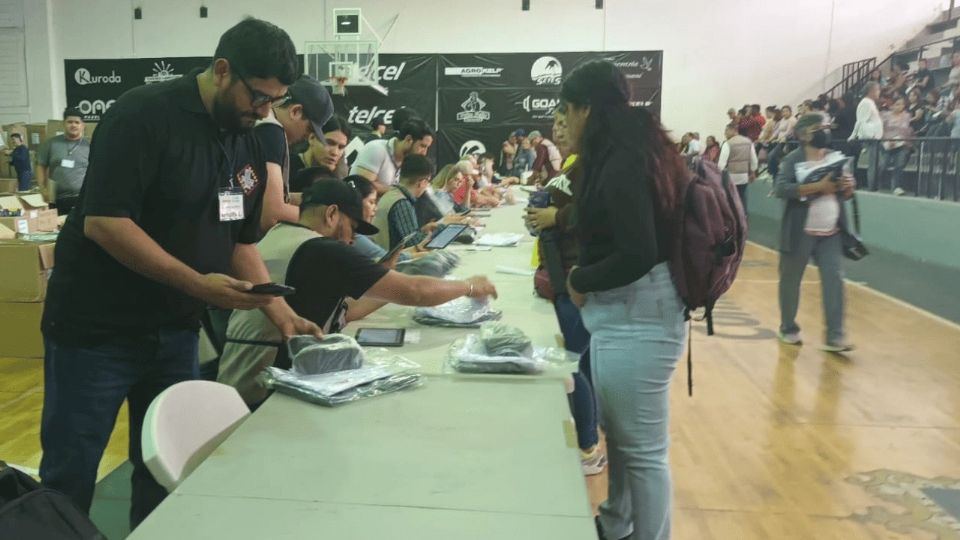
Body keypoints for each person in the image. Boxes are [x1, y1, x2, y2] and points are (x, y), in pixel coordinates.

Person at [38, 18, 322, 528]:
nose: (264, 112)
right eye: (258, 97)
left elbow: (238, 241)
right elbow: (105, 223)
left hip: (174, 330)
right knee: (70, 474)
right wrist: (197, 285)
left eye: (274, 102)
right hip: (96, 330)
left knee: (169, 472)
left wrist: (283, 316)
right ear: (222, 70)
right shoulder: (143, 115)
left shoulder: (244, 138)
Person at [217, 178, 497, 406]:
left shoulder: (277, 236)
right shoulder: (322, 249)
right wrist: (469, 286)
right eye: (351, 228)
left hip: (238, 381)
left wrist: (385, 286)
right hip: (263, 394)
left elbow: (348, 311)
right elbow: (415, 293)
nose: (352, 239)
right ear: (331, 214)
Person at [560, 60, 688, 540]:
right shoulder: (632, 147)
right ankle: (617, 524)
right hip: (629, 315)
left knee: (645, 453)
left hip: (640, 316)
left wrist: (581, 278)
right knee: (626, 440)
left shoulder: (623, 160)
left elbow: (638, 252)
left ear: (586, 109)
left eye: (567, 111)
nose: (564, 121)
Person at [525, 110, 604, 477]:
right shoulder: (574, 168)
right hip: (567, 281)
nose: (558, 130)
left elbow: (595, 216)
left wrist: (553, 217)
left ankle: (588, 446)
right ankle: (591, 434)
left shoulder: (594, 170)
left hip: (576, 284)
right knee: (581, 362)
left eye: (564, 121)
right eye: (554, 123)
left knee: (569, 363)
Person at [774, 113, 856, 353]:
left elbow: (845, 194)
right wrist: (817, 186)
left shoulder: (836, 158)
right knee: (790, 281)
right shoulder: (792, 159)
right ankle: (788, 328)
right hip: (800, 232)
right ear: (803, 134)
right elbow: (781, 188)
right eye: (819, 128)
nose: (825, 131)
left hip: (831, 232)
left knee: (834, 281)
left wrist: (848, 188)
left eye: (826, 127)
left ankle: (835, 336)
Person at [255, 75, 334, 231]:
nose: (307, 136)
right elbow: (271, 214)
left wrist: (307, 200)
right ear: (295, 111)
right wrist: (326, 218)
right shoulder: (272, 132)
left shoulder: (263, 122)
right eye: (309, 129)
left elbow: (259, 196)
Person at [370, 154, 443, 250]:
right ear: (422, 182)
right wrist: (433, 234)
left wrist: (423, 231)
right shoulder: (402, 203)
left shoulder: (391, 194)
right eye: (428, 181)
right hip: (392, 258)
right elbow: (413, 243)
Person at [350, 118, 434, 195]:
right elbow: (363, 185)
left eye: (427, 148)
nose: (424, 153)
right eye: (423, 146)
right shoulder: (376, 149)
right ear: (408, 139)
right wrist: (402, 191)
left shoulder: (409, 161)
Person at [36, 108, 90, 215]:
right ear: (63, 124)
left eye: (77, 122)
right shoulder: (51, 143)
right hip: (57, 199)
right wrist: (42, 188)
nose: (73, 125)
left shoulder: (89, 145)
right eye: (70, 122)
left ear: (83, 125)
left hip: (82, 199)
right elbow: (41, 165)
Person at [289, 114, 350, 184]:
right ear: (312, 138)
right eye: (329, 143)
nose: (335, 152)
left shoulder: (337, 177)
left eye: (341, 147)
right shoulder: (287, 165)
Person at [849, 82, 884, 191]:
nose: (879, 92)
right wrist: (853, 135)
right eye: (877, 90)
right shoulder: (866, 103)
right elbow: (860, 121)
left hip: (875, 137)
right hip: (871, 137)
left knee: (877, 162)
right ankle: (872, 187)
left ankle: (873, 185)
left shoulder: (870, 103)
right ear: (871, 91)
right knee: (874, 163)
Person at [718, 123, 758, 214]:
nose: (725, 133)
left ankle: (733, 216)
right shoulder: (748, 142)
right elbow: (754, 159)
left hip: (731, 176)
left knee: (731, 198)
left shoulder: (728, 143)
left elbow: (721, 164)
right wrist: (753, 172)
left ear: (733, 130)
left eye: (726, 131)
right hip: (744, 176)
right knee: (742, 196)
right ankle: (743, 216)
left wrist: (719, 175)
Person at [881, 96, 913, 196]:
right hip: (887, 143)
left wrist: (897, 139)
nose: (900, 106)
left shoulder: (906, 116)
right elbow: (882, 129)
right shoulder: (885, 115)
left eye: (902, 104)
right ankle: (879, 183)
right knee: (883, 164)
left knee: (899, 164)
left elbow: (905, 130)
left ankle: (896, 187)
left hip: (901, 143)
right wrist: (887, 140)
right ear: (892, 105)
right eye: (897, 104)